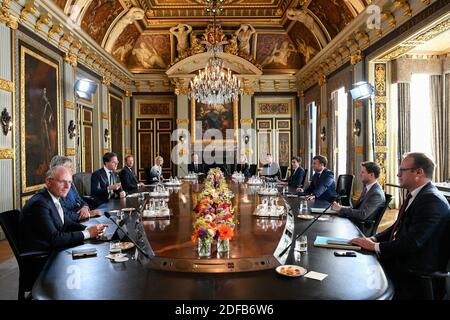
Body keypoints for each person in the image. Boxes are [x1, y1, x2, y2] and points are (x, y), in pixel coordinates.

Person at [349, 153, 450, 299]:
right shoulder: (419, 195)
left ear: (419, 172)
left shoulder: (432, 200)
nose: (397, 174)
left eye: (402, 170)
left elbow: (412, 243)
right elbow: (397, 226)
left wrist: (375, 247)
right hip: (401, 260)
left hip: (413, 272)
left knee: (356, 276)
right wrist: (374, 238)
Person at [19, 166, 107, 252]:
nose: (67, 186)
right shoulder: (40, 203)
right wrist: (88, 233)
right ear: (48, 182)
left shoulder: (53, 197)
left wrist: (89, 228)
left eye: (69, 182)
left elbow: (65, 223)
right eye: (62, 181)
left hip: (55, 248)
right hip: (45, 257)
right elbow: (55, 238)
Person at [49, 156, 101, 222]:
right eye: (70, 167)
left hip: (80, 220)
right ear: (61, 169)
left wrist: (85, 208)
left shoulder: (70, 184)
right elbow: (62, 215)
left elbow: (80, 200)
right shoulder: (55, 189)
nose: (72, 170)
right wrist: (88, 214)